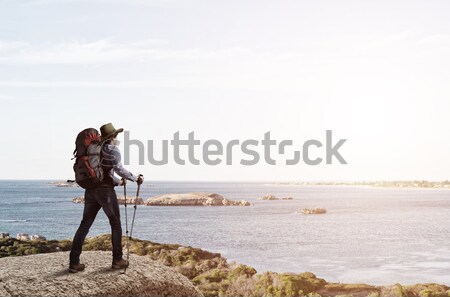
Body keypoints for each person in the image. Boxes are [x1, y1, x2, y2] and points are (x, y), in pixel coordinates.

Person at [69, 123, 144, 273]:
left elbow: (103, 172)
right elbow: (119, 169)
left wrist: (117, 181)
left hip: (90, 190)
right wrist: (135, 178)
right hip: (105, 192)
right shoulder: (112, 149)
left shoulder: (92, 149)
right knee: (115, 224)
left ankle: (74, 262)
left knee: (85, 225)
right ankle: (117, 260)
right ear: (113, 136)